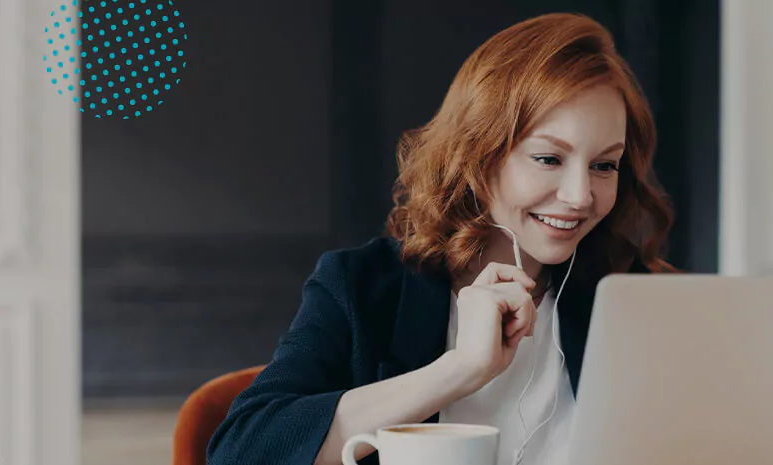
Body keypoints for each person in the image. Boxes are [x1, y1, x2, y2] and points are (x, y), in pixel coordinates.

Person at [206, 12, 675, 465]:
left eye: (604, 165)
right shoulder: (361, 287)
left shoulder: (632, 298)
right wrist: (460, 370)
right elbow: (242, 451)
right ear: (479, 154)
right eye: (549, 159)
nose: (580, 197)